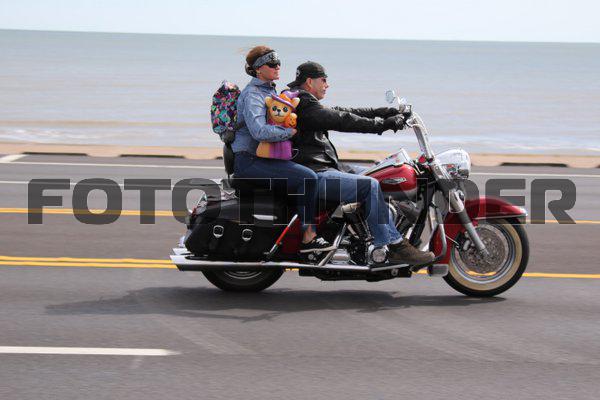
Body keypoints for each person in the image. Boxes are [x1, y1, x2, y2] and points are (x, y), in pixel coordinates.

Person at [287, 61, 434, 265]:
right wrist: (383, 125)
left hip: (324, 166)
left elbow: (345, 111)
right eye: (324, 80)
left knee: (377, 172)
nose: (327, 85)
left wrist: (384, 112)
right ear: (310, 81)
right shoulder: (304, 104)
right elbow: (342, 119)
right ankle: (393, 244)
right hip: (316, 172)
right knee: (369, 185)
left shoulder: (302, 100)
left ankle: (384, 222)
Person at [231, 47, 332, 253]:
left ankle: (294, 233)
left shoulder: (269, 92)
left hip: (264, 158)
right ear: (258, 69)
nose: (277, 67)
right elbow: (259, 131)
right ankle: (309, 237)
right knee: (308, 178)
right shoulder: (253, 95)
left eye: (278, 63)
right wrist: (290, 132)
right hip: (250, 161)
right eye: (271, 64)